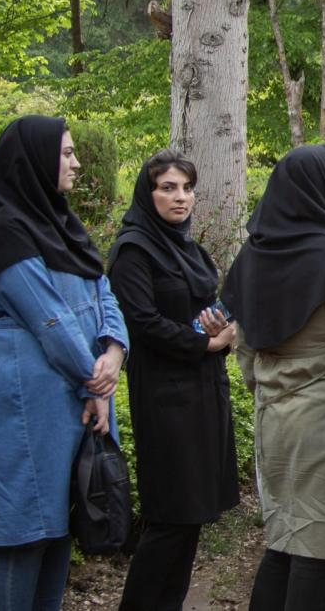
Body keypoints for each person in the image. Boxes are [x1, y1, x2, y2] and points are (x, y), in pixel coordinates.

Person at [0, 115, 129, 611]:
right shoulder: (3, 230)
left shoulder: (62, 225)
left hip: (76, 391)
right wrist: (94, 385)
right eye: (66, 153)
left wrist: (115, 351)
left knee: (60, 526)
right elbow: (48, 318)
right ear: (34, 160)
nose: (76, 163)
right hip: (27, 397)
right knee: (26, 531)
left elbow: (103, 293)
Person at [223, 146, 325, 611]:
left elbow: (244, 349)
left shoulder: (253, 254)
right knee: (318, 547)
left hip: (274, 417)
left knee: (284, 538)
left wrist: (270, 390)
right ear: (316, 188)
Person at [108, 149, 240, 611]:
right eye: (168, 188)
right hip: (166, 399)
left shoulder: (186, 247)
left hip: (202, 393)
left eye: (186, 188)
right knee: (170, 518)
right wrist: (204, 343)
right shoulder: (134, 250)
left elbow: (206, 306)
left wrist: (223, 327)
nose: (180, 197)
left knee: (192, 517)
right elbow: (140, 321)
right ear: (148, 194)